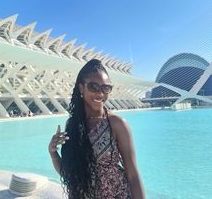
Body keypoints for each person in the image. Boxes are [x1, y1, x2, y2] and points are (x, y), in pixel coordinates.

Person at [48, 59, 145, 199]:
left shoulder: (117, 124)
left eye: (106, 88)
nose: (100, 93)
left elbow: (133, 174)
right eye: (93, 86)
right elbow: (70, 174)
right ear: (81, 88)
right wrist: (53, 153)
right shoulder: (73, 125)